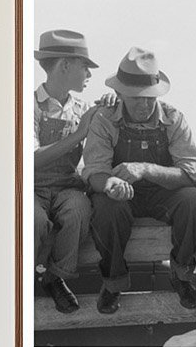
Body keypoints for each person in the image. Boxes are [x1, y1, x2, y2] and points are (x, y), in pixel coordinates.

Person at [82, 47, 196, 315]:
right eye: (135, 98)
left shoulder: (174, 119)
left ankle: (181, 273)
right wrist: (110, 185)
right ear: (119, 95)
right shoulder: (104, 119)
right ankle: (113, 281)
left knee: (193, 202)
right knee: (106, 208)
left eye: (149, 98)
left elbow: (191, 174)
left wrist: (145, 169)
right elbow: (95, 171)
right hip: (118, 194)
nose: (143, 104)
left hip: (161, 194)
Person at [33, 29, 128, 314]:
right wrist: (79, 133)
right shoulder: (28, 105)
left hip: (67, 186)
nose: (89, 74)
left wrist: (113, 105)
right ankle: (24, 278)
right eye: (85, 66)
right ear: (64, 65)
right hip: (30, 185)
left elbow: (105, 138)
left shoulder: (83, 107)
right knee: (32, 220)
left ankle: (56, 277)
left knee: (78, 211)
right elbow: (30, 160)